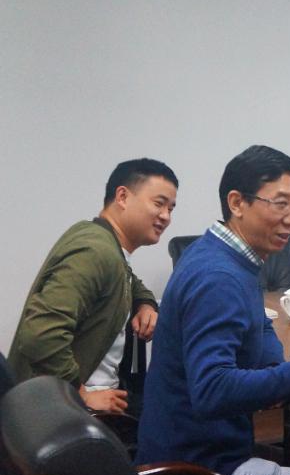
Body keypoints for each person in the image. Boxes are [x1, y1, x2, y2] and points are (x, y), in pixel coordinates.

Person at [137, 145, 290, 475]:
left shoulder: (226, 256)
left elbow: (261, 328)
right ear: (237, 203)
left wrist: (276, 369)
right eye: (281, 203)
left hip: (201, 457)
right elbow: (213, 391)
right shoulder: (218, 277)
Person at [9, 158, 177, 414]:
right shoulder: (95, 252)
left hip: (80, 404)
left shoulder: (106, 244)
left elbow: (129, 279)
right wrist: (78, 394)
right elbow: (41, 332)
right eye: (159, 203)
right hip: (67, 414)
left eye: (171, 208)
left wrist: (145, 303)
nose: (165, 216)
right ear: (122, 197)